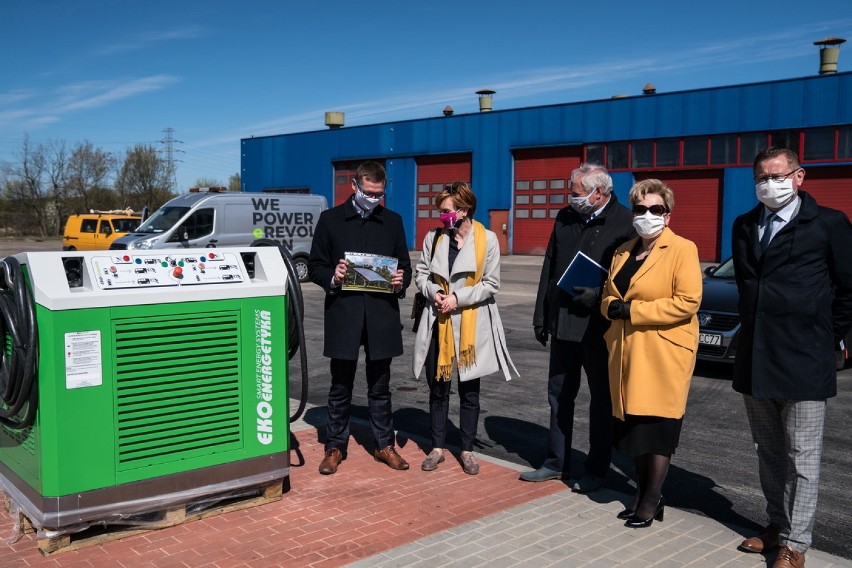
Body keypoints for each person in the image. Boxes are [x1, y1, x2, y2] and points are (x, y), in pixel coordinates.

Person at [731, 147, 852, 568]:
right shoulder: (745, 225)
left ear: (799, 177)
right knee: (768, 451)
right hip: (756, 359)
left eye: (777, 175)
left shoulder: (829, 224)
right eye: (761, 177)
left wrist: (828, 338)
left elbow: (848, 289)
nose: (769, 184)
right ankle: (776, 525)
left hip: (804, 359)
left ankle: (796, 544)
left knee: (803, 457)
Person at [525, 163, 635, 491]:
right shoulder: (565, 218)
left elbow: (630, 279)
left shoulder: (625, 223)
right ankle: (556, 462)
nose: (570, 199)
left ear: (597, 192)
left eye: (575, 193)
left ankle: (596, 469)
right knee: (559, 396)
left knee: (601, 400)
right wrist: (541, 317)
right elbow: (549, 266)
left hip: (598, 327)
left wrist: (599, 295)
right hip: (562, 323)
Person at [600, 179, 702, 528]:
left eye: (655, 209)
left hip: (662, 356)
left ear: (667, 215)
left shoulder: (682, 249)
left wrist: (632, 312)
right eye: (640, 209)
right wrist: (610, 307)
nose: (647, 215)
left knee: (657, 430)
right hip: (627, 355)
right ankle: (642, 496)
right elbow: (608, 296)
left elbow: (688, 302)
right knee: (636, 431)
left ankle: (652, 500)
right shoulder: (623, 250)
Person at [308, 160, 413, 475]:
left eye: (379, 194)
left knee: (380, 387)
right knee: (340, 386)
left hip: (381, 317)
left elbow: (404, 266)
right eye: (368, 193)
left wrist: (400, 281)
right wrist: (334, 276)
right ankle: (334, 447)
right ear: (354, 186)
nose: (374, 199)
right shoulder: (330, 221)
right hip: (345, 315)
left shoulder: (392, 221)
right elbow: (315, 266)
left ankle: (384, 446)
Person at [412, 182, 518, 475]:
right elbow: (420, 274)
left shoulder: (489, 239)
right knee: (438, 386)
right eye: (440, 211)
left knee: (470, 389)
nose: (441, 216)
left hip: (471, 321)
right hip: (439, 320)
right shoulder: (434, 237)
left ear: (463, 209)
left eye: (446, 211)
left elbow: (491, 283)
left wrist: (458, 298)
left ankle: (467, 449)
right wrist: (434, 293)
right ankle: (437, 447)